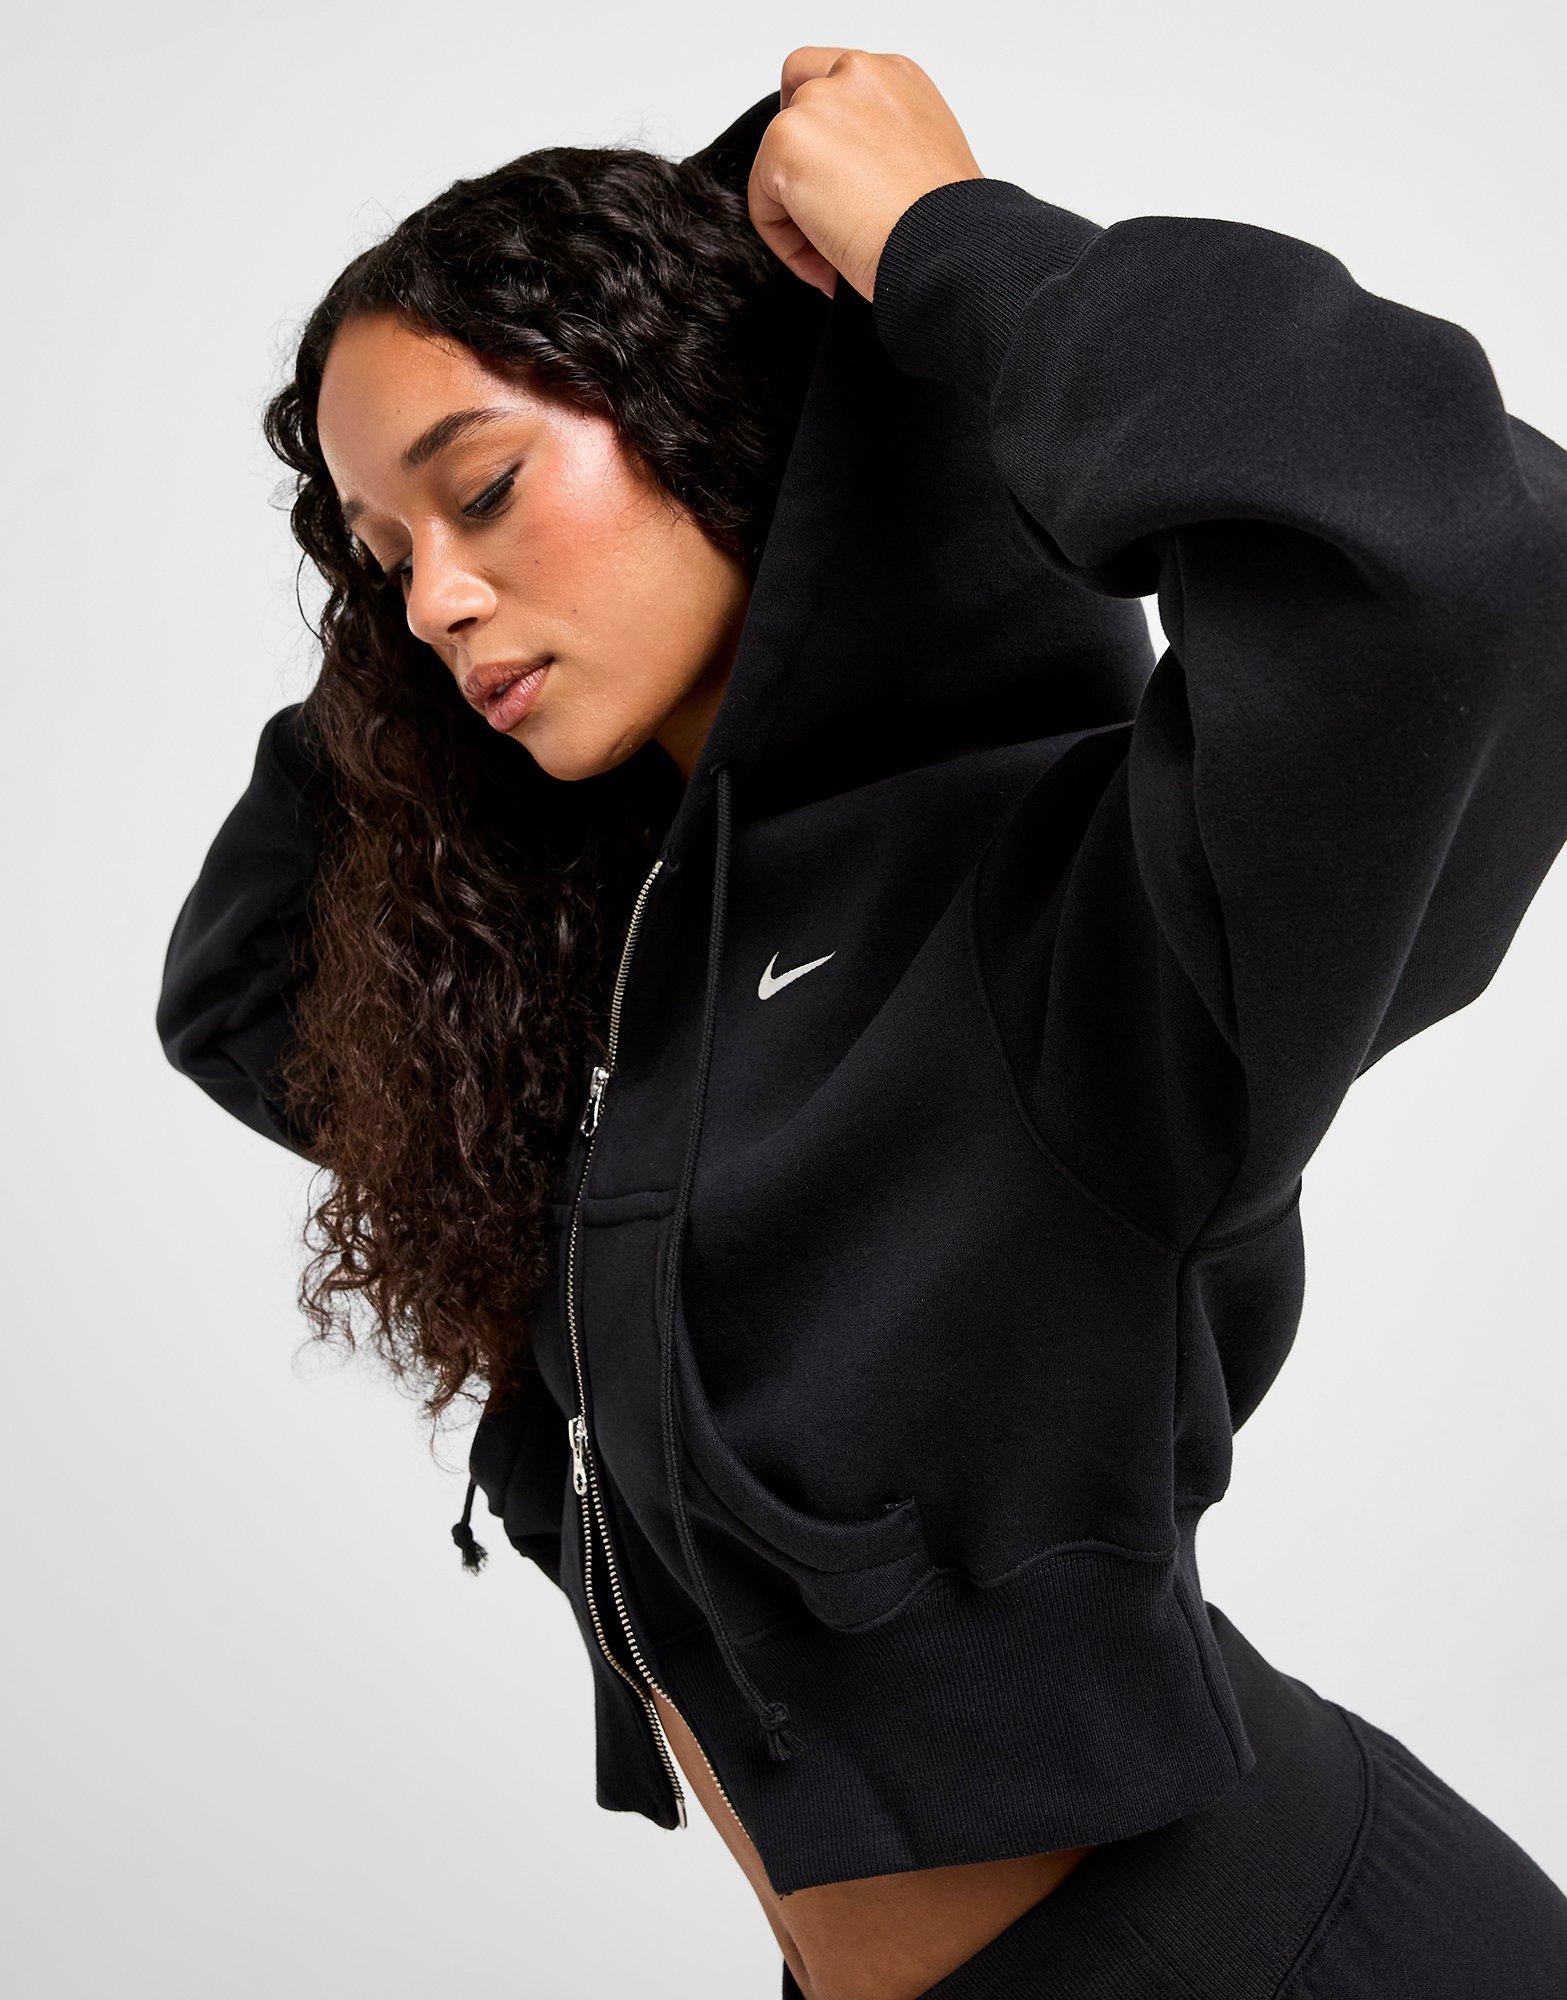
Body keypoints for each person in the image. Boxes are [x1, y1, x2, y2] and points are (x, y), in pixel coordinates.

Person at [155, 45, 1567, 2000]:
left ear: (699, 408)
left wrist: (945, 250)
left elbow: (1455, 561)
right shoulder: (611, 981)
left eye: (483, 488)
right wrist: (410, 547)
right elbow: (248, 980)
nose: (433, 605)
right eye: (384, 566)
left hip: (1273, 1950)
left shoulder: (1059, 892)